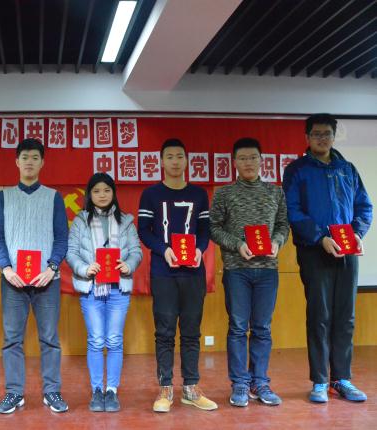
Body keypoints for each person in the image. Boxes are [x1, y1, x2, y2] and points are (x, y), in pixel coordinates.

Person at [282, 114, 372, 403]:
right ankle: (320, 381)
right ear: (307, 137)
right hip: (314, 250)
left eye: (327, 134)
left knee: (346, 316)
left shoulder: (347, 169)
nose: (322, 138)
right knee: (319, 316)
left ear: (334, 136)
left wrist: (357, 233)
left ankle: (341, 379)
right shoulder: (296, 170)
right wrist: (321, 237)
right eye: (316, 134)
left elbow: (364, 206)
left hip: (347, 251)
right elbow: (293, 210)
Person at [138, 138, 217, 413]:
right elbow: (144, 230)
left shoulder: (199, 194)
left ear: (186, 160)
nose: (175, 161)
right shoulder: (151, 194)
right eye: (169, 156)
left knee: (192, 331)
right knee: (164, 331)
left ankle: (191, 388)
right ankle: (166, 388)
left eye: (179, 156)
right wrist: (164, 250)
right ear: (161, 161)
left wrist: (199, 250)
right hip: (163, 272)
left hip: (193, 272)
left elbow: (205, 230)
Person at [210, 137, 289, 407]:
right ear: (234, 162)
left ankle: (260, 382)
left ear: (261, 160)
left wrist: (277, 241)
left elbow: (283, 225)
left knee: (262, 328)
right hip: (237, 270)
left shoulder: (275, 192)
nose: (248, 163)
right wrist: (237, 244)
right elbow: (214, 228)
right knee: (237, 327)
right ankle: (240, 384)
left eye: (253, 157)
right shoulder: (224, 193)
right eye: (243, 158)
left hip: (267, 270)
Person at [0, 138, 69, 414]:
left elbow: (62, 238)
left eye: (35, 157)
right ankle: (14, 393)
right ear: (16, 161)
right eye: (24, 157)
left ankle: (52, 392)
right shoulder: (3, 196)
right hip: (13, 281)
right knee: (12, 339)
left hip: (47, 281)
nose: (29, 162)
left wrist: (52, 268)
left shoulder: (53, 197)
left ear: (42, 163)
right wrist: (6, 268)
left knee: (49, 338)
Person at [67, 173, 142, 412]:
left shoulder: (126, 221)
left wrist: (129, 265)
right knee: (97, 340)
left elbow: (136, 251)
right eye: (97, 191)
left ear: (113, 193)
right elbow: (71, 252)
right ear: (89, 194)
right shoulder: (80, 221)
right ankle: (97, 390)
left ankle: (112, 391)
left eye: (107, 190)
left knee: (115, 340)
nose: (102, 195)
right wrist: (84, 268)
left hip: (118, 288)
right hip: (91, 288)